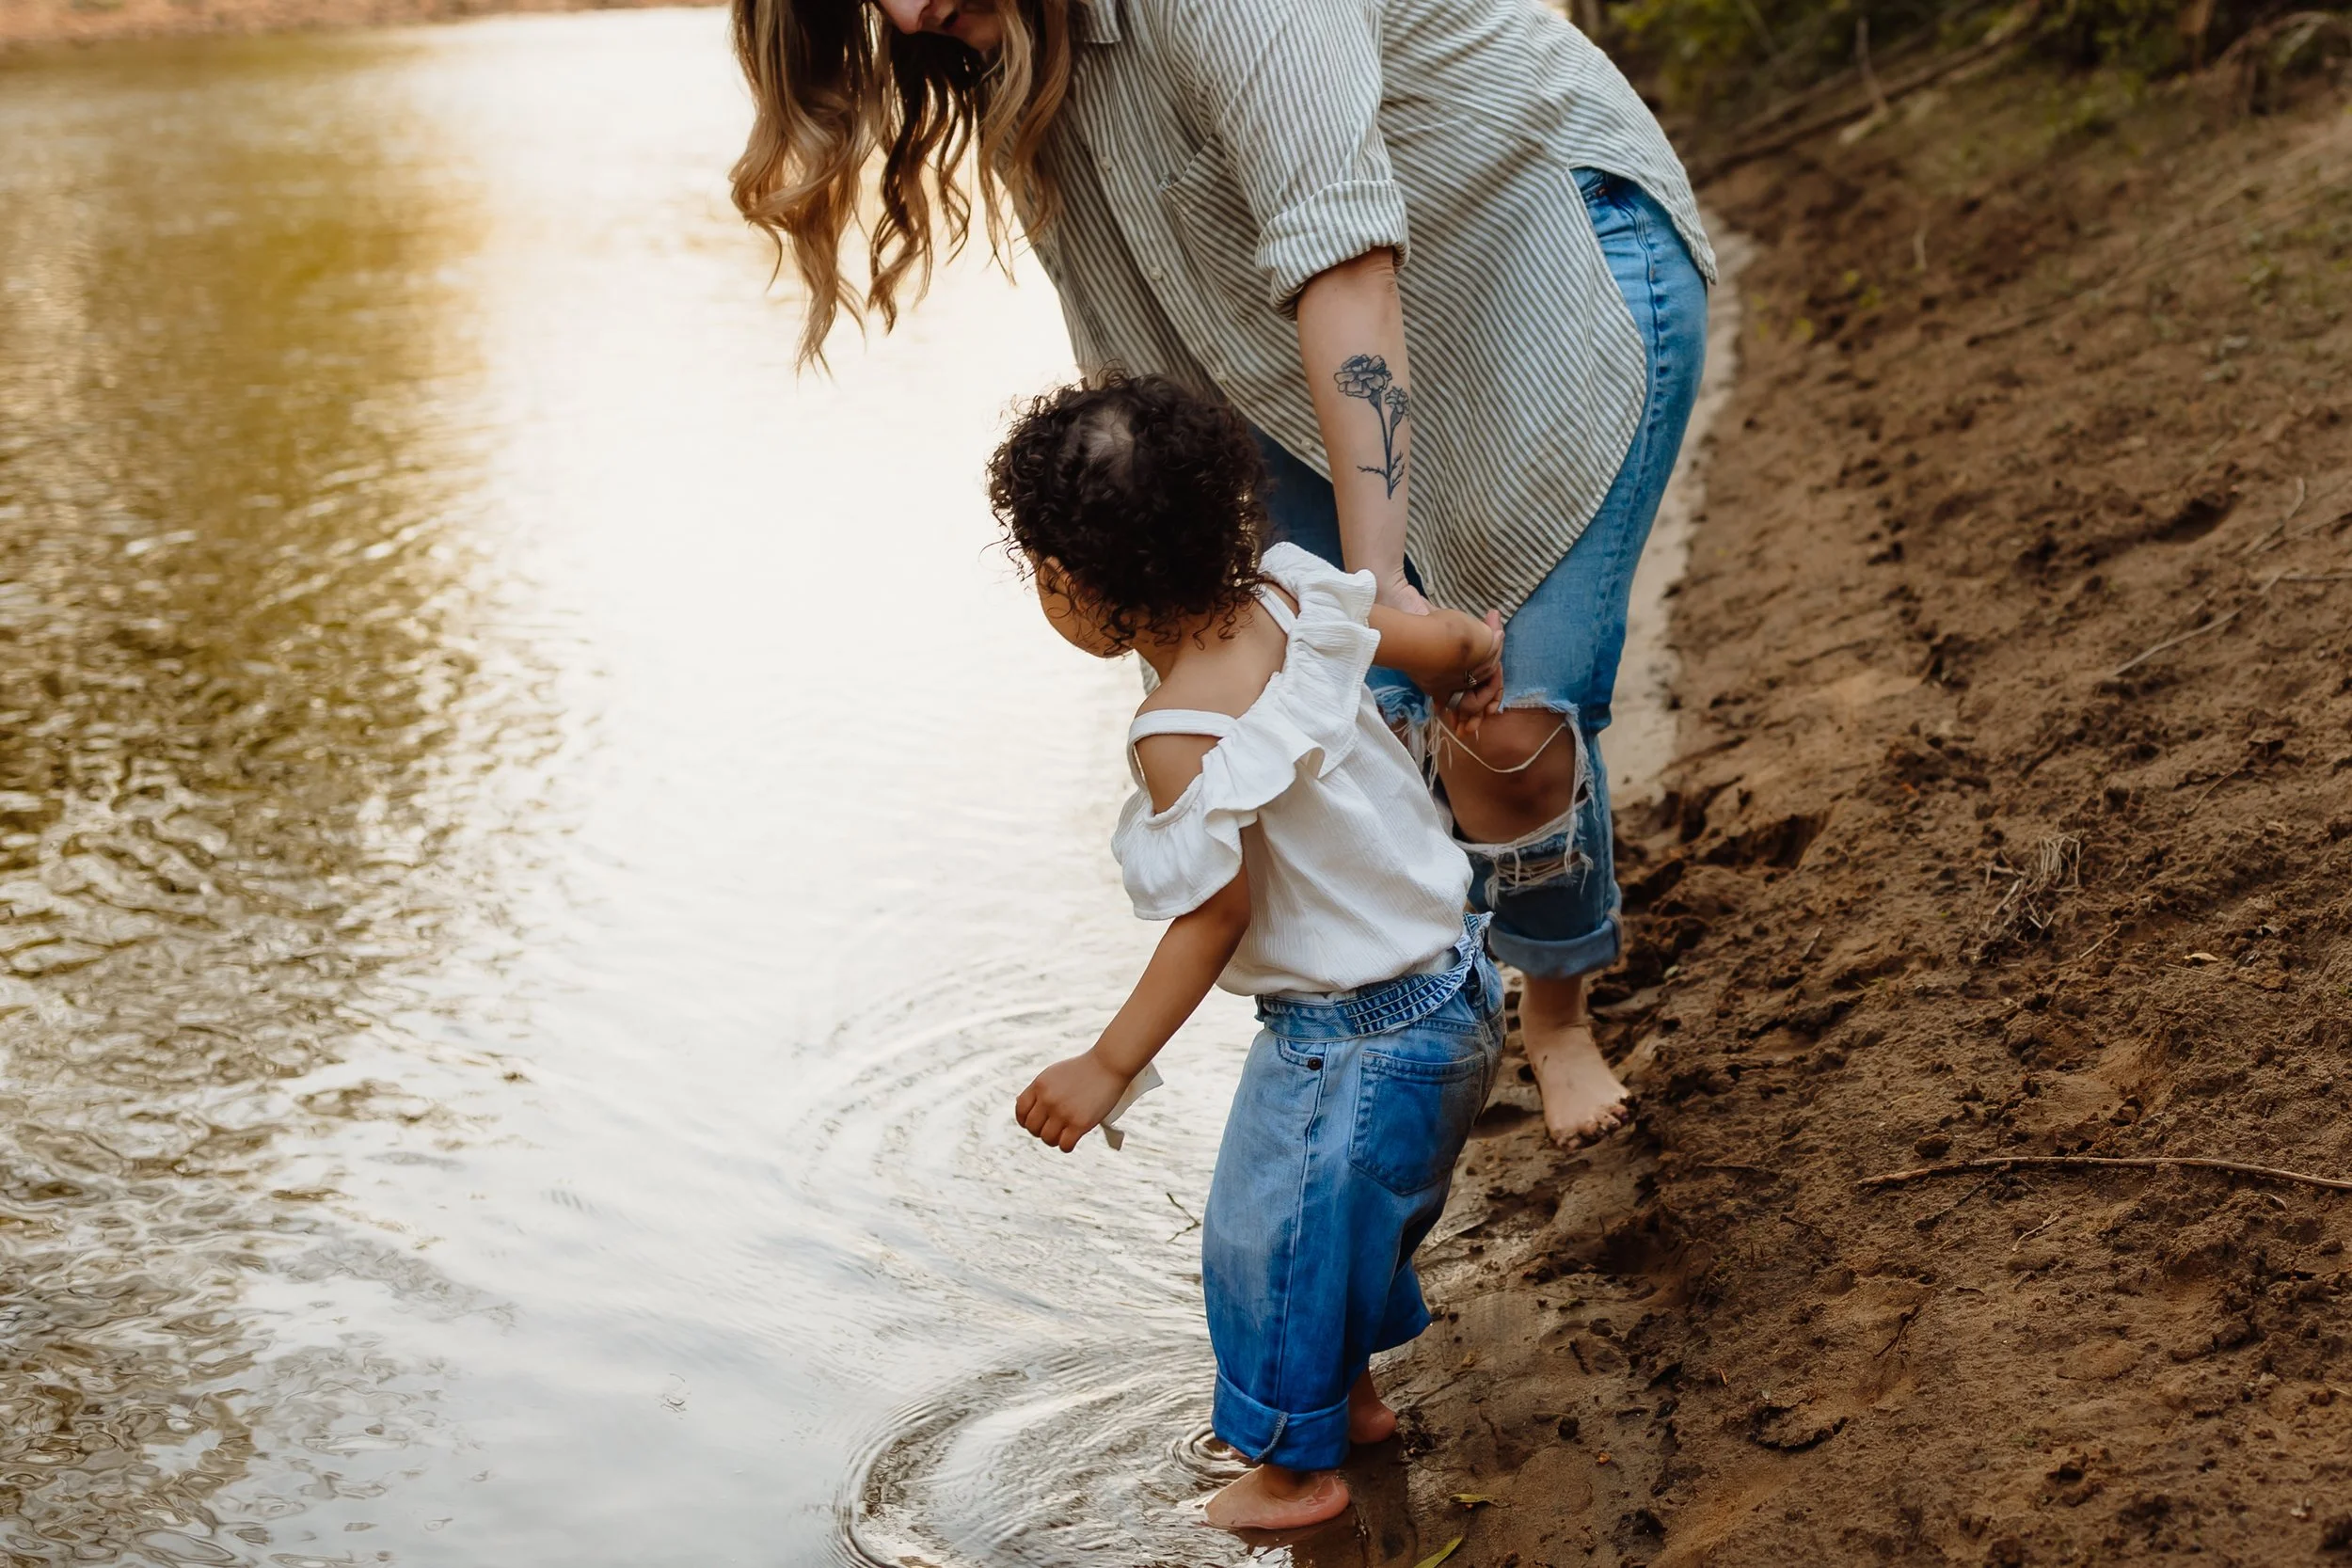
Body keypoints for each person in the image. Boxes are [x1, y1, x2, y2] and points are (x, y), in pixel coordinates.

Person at [729, 0, 1712, 1148]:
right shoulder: (998, 42)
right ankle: (1419, 1018)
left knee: (1504, 734)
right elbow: (1120, 304)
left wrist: (1378, 584)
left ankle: (1553, 1010)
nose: (907, 14)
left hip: (1525, 266)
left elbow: (1343, 256)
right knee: (1348, 737)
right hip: (1273, 354)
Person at [994, 374, 1507, 1528]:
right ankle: (1356, 1404)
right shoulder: (1294, 587)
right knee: (1350, 1220)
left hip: (1352, 1040)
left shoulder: (1177, 731)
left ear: (1076, 587)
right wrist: (1474, 651)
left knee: (1262, 1244)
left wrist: (1108, 1062)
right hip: (1460, 992)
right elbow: (1434, 639)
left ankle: (1293, 1472)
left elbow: (1215, 917)